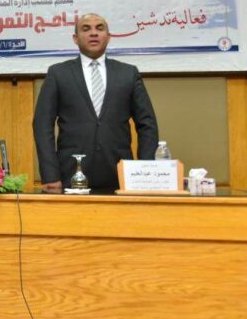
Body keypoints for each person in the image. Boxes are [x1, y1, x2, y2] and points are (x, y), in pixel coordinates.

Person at [33, 13, 159, 192]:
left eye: (100, 28)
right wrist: (50, 174)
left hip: (119, 176)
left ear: (108, 36)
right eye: (86, 29)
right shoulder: (58, 73)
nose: (93, 33)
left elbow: (147, 124)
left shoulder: (128, 73)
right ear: (75, 38)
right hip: (69, 175)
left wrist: (146, 173)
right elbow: (42, 124)